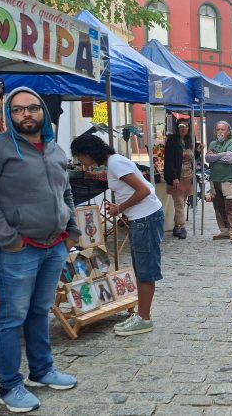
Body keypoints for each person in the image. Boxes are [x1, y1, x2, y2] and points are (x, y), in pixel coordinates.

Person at [0, 87, 80, 413]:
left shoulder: (54, 149)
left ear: (43, 111)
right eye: (18, 110)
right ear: (9, 115)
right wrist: (7, 238)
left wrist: (71, 230)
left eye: (32, 108)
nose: (26, 114)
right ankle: (9, 386)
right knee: (11, 318)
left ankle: (41, 371)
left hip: (53, 246)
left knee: (38, 312)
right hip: (16, 250)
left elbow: (66, 192)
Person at [70, 134, 164, 337]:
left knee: (145, 269)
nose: (81, 163)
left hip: (145, 218)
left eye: (80, 157)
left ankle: (145, 318)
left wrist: (119, 208)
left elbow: (143, 190)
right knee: (140, 267)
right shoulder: (114, 162)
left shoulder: (115, 163)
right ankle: (141, 314)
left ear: (88, 153)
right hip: (142, 218)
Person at [163, 119, 202, 239]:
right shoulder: (172, 140)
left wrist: (198, 152)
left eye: (186, 126)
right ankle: (182, 227)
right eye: (181, 126)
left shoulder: (189, 141)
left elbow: (192, 158)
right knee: (179, 203)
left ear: (189, 128)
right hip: (177, 177)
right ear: (177, 127)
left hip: (188, 177)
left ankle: (177, 226)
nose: (183, 128)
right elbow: (169, 160)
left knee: (181, 203)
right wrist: (174, 177)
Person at [205, 121, 232, 245]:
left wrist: (215, 156)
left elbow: (229, 159)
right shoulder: (212, 143)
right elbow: (207, 158)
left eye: (223, 129)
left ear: (228, 131)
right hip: (214, 180)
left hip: (228, 180)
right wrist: (221, 155)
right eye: (218, 129)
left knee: (230, 207)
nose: (220, 131)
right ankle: (224, 230)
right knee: (218, 207)